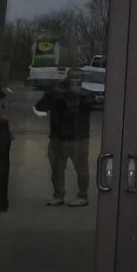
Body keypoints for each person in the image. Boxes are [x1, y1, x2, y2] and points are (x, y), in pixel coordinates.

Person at [33, 75, 91, 206]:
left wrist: (77, 93)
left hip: (78, 138)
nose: (71, 84)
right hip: (58, 137)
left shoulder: (85, 95)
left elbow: (88, 106)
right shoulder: (55, 95)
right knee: (57, 168)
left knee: (81, 168)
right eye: (69, 81)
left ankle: (83, 196)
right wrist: (53, 92)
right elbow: (40, 107)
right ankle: (58, 195)